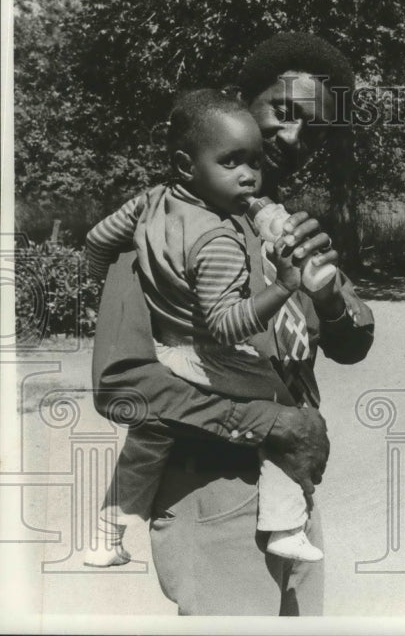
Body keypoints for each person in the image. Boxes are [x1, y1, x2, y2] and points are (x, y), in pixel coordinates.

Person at [91, 33, 374, 616]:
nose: (292, 136)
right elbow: (122, 385)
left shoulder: (289, 228)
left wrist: (326, 296)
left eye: (312, 129)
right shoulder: (164, 224)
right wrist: (272, 422)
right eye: (283, 111)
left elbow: (352, 344)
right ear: (244, 103)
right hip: (213, 494)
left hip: (288, 499)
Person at [85, 89, 324, 567]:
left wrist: (103, 297)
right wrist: (284, 287)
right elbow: (223, 326)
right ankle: (285, 524)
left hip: (163, 347)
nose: (248, 175)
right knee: (284, 404)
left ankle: (107, 534)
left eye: (254, 162)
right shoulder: (218, 238)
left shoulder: (149, 202)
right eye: (231, 161)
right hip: (203, 353)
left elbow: (96, 241)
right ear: (185, 164)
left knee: (149, 437)